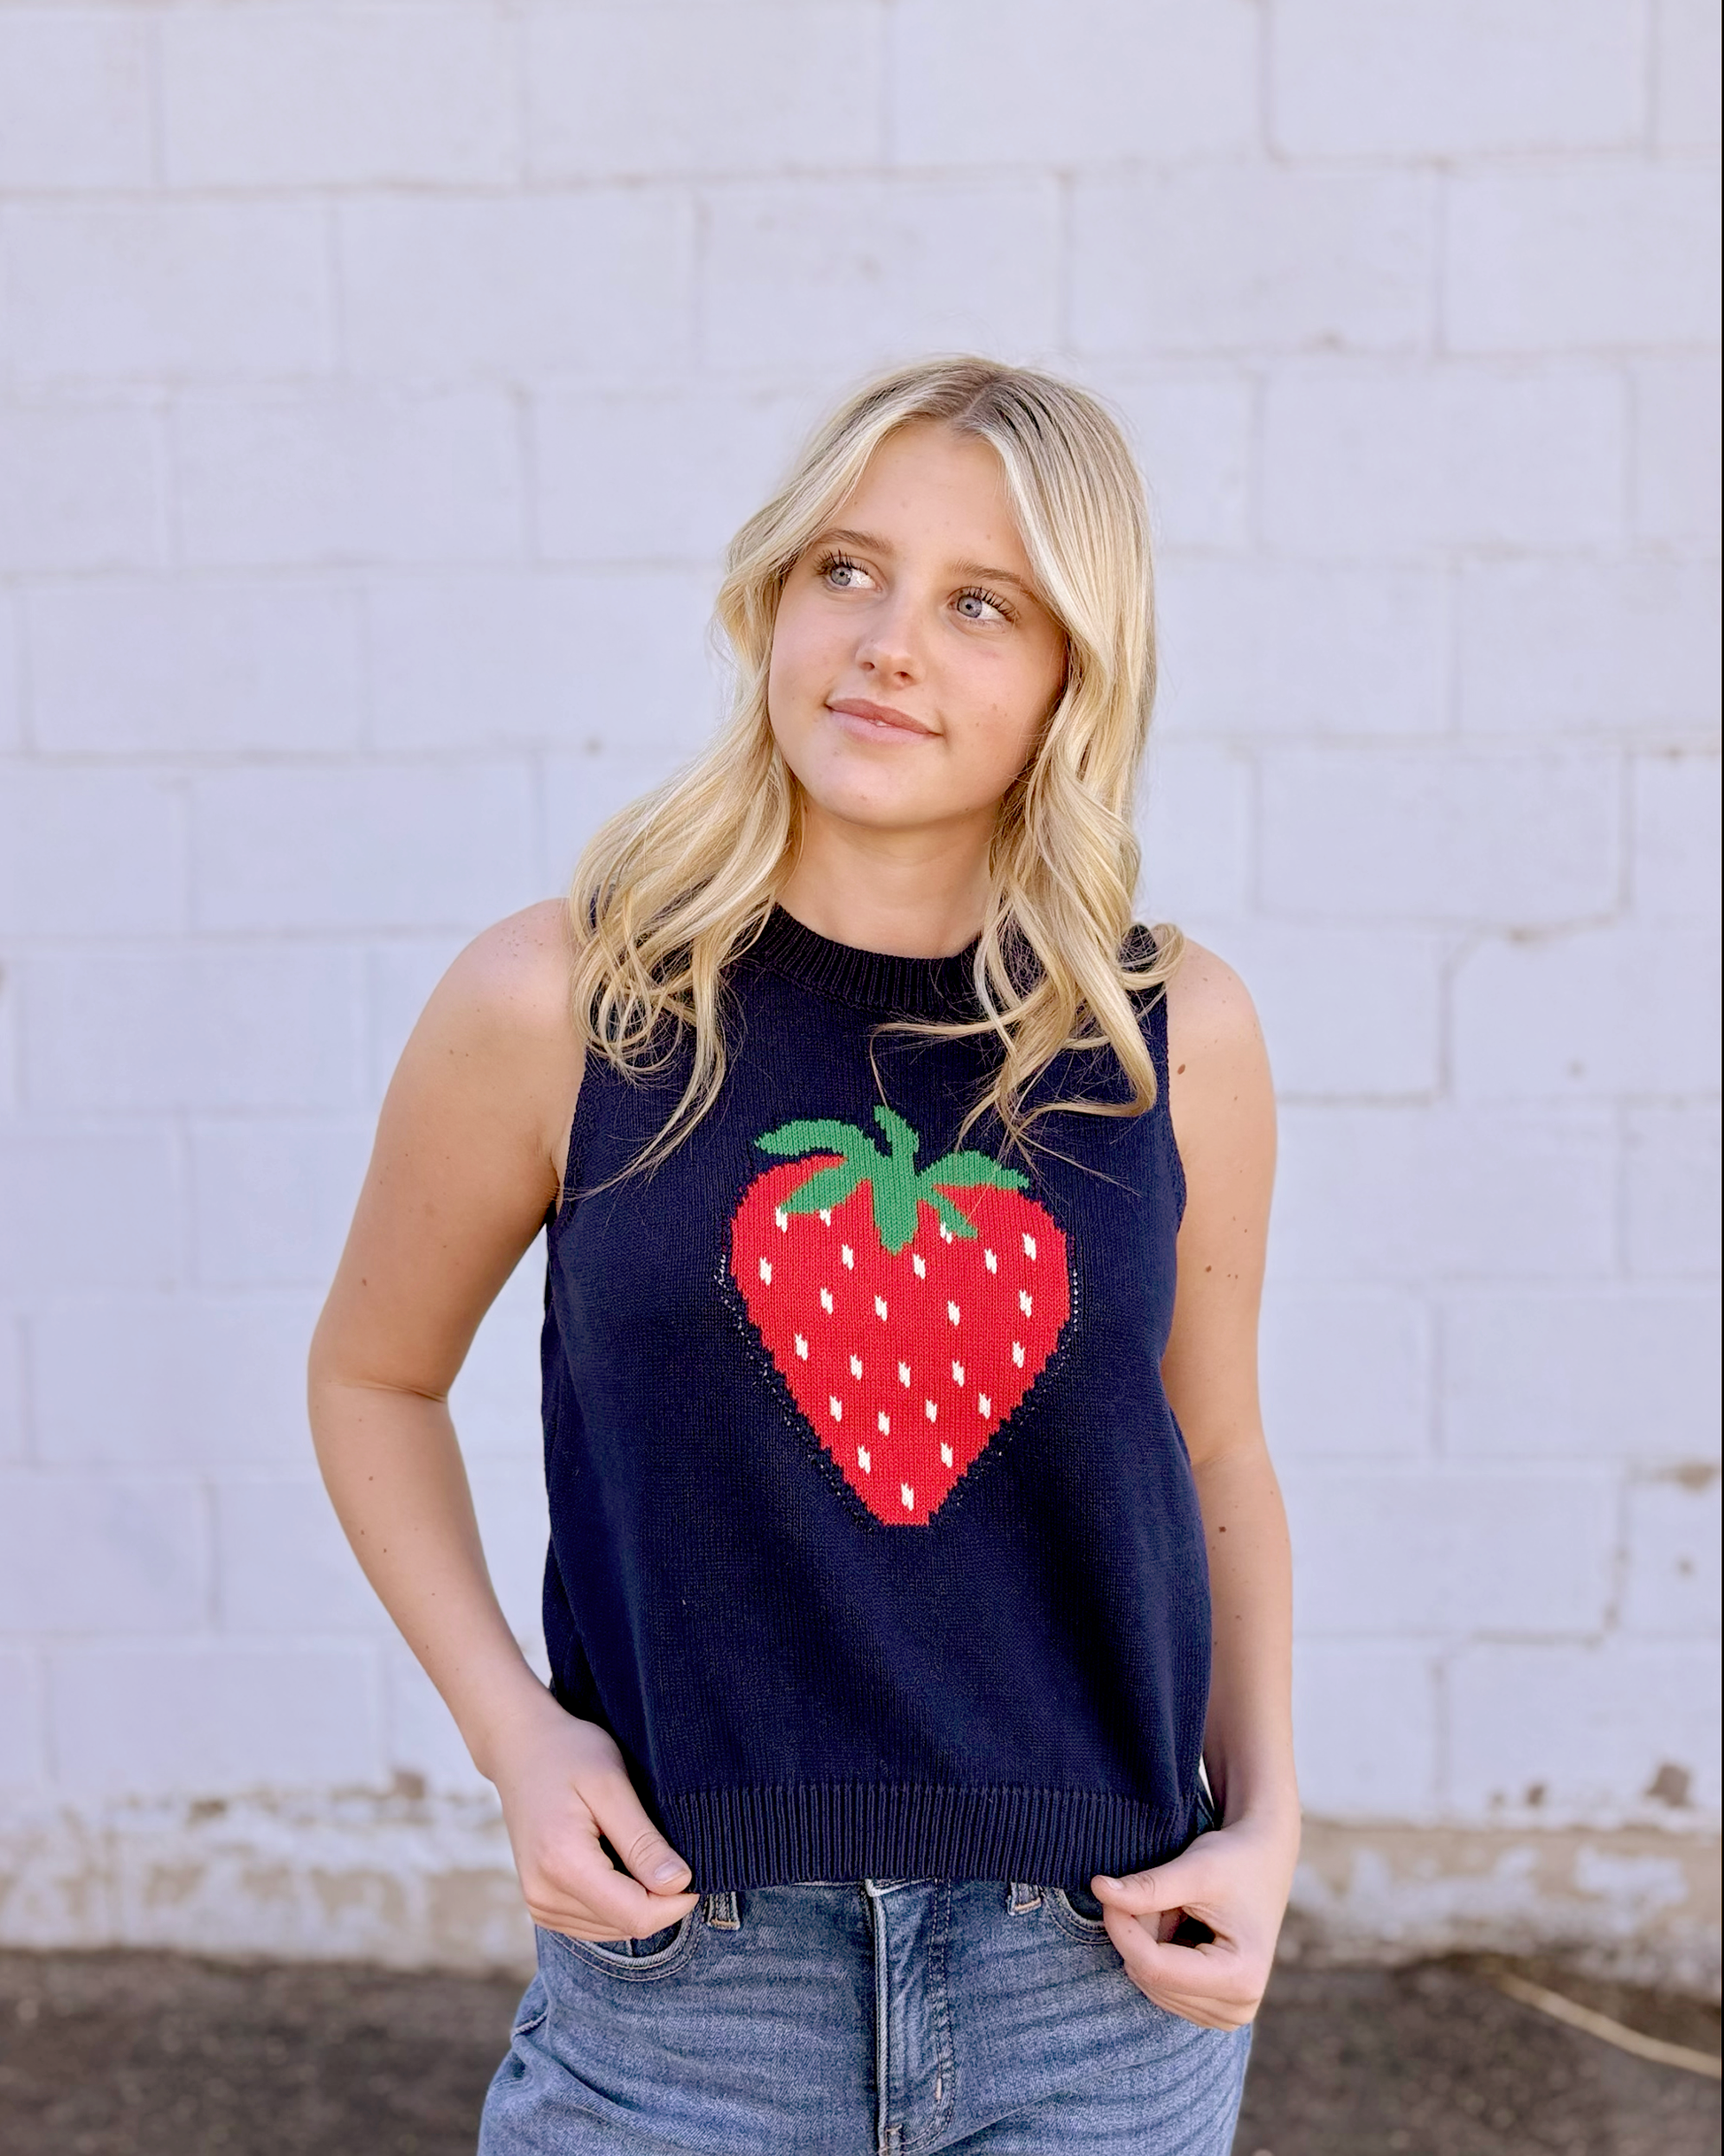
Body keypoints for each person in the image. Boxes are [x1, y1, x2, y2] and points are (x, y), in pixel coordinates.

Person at [309, 356, 1296, 2154]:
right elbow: (370, 1377)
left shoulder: (1173, 1037)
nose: (888, 639)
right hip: (689, 1982)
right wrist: (519, 1740)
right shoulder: (564, 1004)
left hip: (1092, 1981)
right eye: (846, 569)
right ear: (772, 595)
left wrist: (1272, 1815)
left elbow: (1213, 1445)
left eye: (979, 603)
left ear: (1078, 674)